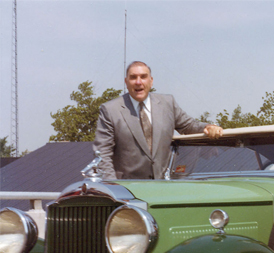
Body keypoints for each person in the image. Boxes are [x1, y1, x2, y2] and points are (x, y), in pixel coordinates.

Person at [93, 61, 223, 180]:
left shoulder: (168, 103)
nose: (138, 82)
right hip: (127, 192)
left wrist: (208, 127)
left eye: (143, 77)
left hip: (163, 189)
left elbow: (189, 125)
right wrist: (113, 188)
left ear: (151, 81)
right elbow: (102, 154)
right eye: (133, 77)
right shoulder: (110, 110)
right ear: (126, 82)